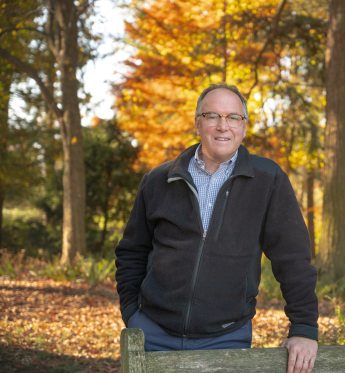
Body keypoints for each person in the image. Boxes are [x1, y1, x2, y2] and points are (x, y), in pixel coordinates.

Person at [115, 84, 319, 373]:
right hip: (152, 334)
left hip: (227, 338)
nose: (223, 126)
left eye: (233, 117)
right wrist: (132, 314)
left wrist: (304, 327)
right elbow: (132, 252)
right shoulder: (159, 179)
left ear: (244, 127)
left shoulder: (267, 180)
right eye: (212, 116)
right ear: (198, 122)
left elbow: (293, 258)